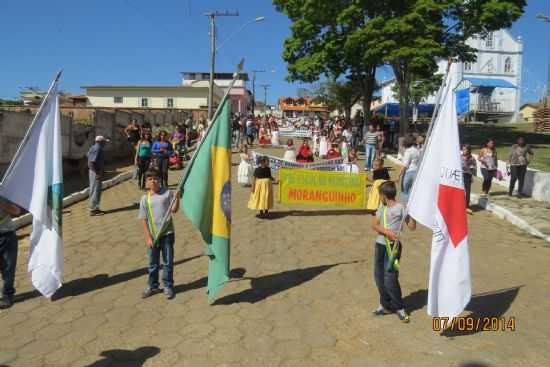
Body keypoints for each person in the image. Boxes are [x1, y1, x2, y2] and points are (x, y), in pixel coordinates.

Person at [371, 181, 416, 323]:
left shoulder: (401, 208)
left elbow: (412, 227)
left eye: (380, 195)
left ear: (384, 195)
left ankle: (399, 307)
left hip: (394, 248)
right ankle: (385, 304)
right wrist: (387, 232)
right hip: (380, 246)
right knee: (378, 276)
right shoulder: (382, 207)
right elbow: (374, 225)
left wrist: (412, 212)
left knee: (390, 278)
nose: (380, 198)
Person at [138, 169, 180, 300]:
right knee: (153, 263)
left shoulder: (167, 193)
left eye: (155, 178)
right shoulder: (145, 198)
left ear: (160, 180)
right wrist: (148, 237)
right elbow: (143, 218)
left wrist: (177, 198)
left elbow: (174, 210)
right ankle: (153, 285)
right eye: (150, 179)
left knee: (167, 261)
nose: (153, 181)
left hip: (167, 233)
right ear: (146, 182)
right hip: (153, 236)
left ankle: (168, 285)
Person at [0, 197, 22, 309]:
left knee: (8, 269)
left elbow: (17, 211)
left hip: (6, 235)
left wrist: (2, 204)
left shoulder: (4, 189)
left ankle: (7, 295)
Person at [87, 136, 109, 216]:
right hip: (95, 172)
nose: (105, 143)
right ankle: (93, 210)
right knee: (95, 190)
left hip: (95, 172)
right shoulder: (97, 149)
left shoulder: (94, 147)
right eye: (104, 142)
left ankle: (95, 208)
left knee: (96, 190)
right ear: (100, 142)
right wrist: (97, 173)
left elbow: (89, 157)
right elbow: (90, 163)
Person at [397, 136, 419, 203]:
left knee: (404, 191)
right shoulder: (417, 150)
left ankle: (403, 207)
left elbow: (405, 165)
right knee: (411, 191)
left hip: (408, 172)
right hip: (416, 171)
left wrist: (398, 175)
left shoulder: (408, 151)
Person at [461, 144, 477, 213]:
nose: (464, 151)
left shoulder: (472, 158)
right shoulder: (459, 157)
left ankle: (466, 206)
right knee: (460, 190)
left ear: (469, 150)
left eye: (465, 149)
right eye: (463, 149)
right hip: (460, 175)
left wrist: (471, 168)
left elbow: (474, 167)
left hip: (467, 175)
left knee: (467, 191)